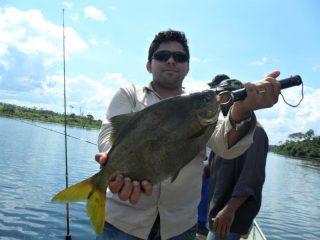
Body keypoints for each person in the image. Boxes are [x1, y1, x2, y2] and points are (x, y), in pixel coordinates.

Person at [95, 29, 281, 240]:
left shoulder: (199, 104)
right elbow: (108, 132)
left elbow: (223, 146)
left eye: (180, 57)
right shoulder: (128, 95)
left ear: (187, 67)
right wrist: (111, 159)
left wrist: (241, 111)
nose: (171, 61)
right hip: (122, 222)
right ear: (149, 65)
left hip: (179, 228)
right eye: (162, 56)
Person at [206, 77, 269, 240]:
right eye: (219, 96)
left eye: (225, 96)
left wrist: (229, 210)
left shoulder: (256, 132)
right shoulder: (222, 129)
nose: (220, 101)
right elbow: (211, 165)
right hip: (218, 210)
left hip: (230, 218)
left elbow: (251, 179)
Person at [197, 74, 234, 236]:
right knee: (203, 196)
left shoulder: (228, 114)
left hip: (215, 167)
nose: (214, 90)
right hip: (205, 165)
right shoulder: (213, 110)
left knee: (208, 197)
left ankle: (203, 225)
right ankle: (201, 224)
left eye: (216, 87)